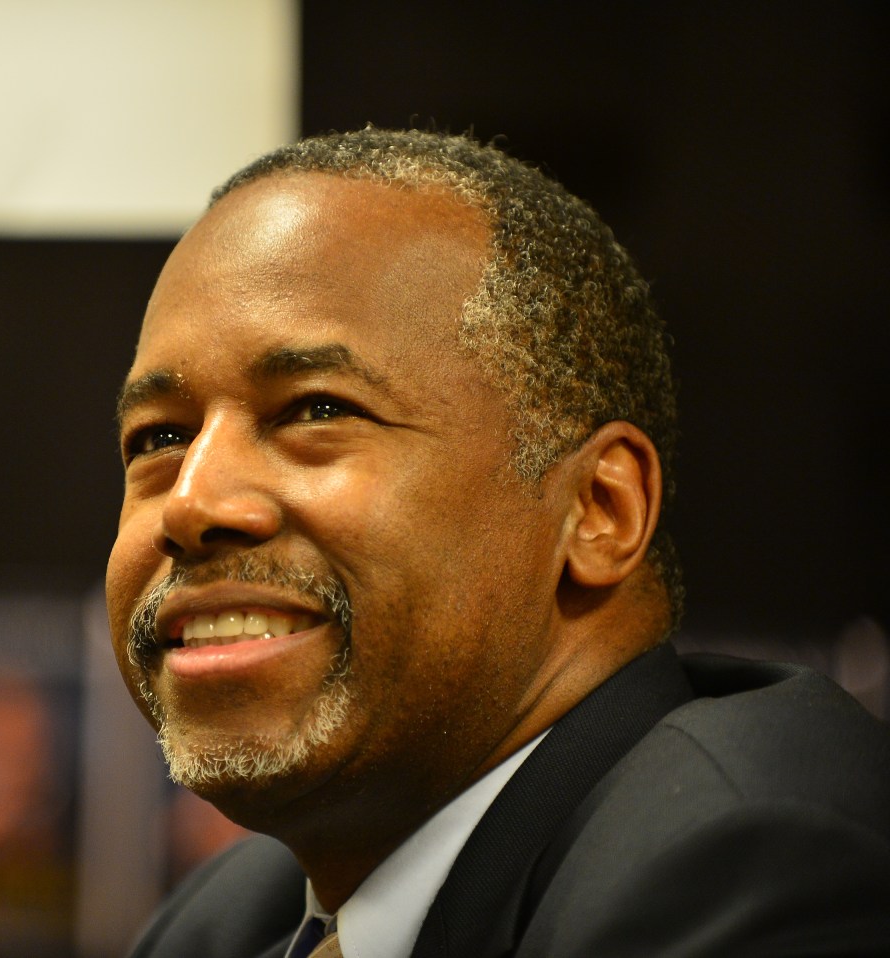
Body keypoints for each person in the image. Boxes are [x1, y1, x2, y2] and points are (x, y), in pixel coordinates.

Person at [104, 127, 890, 958]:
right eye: (158, 438)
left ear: (599, 509)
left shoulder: (753, 872)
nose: (190, 502)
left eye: (316, 410)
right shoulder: (225, 926)